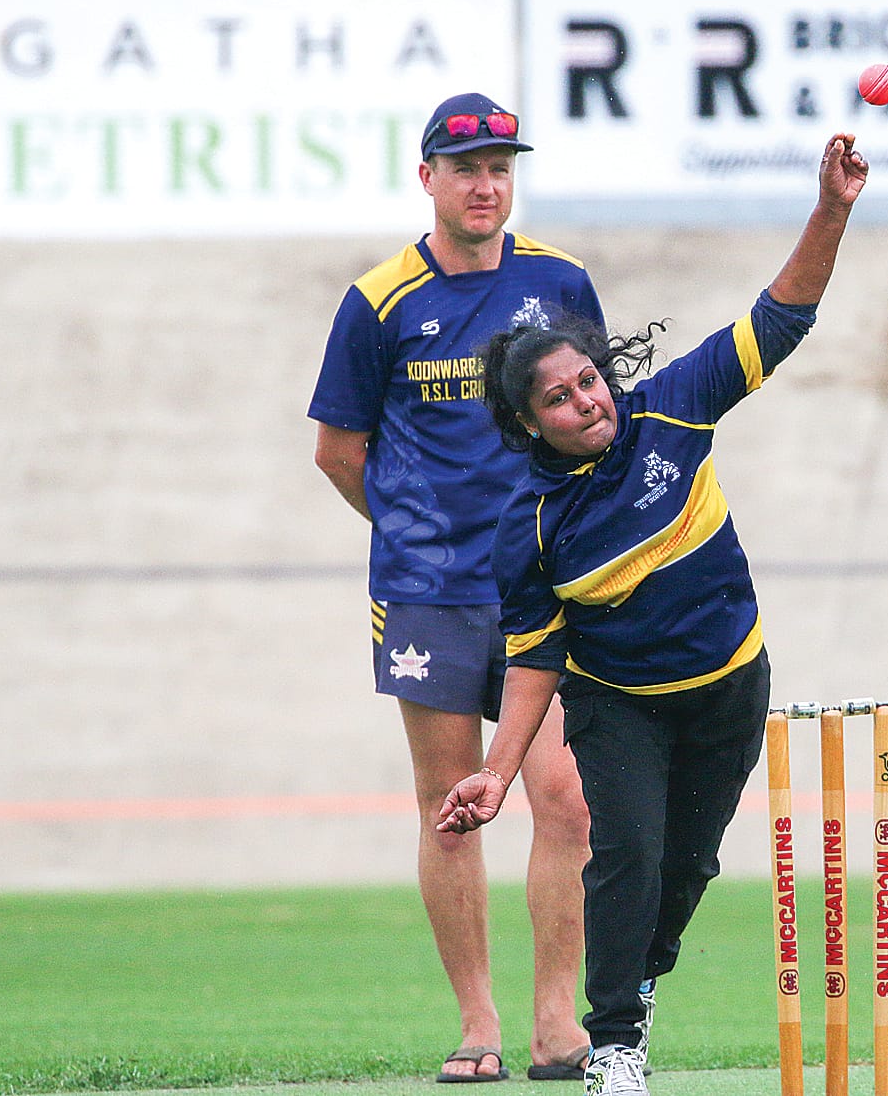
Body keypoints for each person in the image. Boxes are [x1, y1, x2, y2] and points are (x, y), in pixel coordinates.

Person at [432, 132, 870, 1096]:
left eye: (587, 380)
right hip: (618, 700)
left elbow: (780, 317)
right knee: (621, 849)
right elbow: (536, 661)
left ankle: (640, 979)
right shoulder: (531, 527)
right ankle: (616, 1043)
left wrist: (831, 208)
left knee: (686, 869)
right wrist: (497, 774)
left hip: (727, 682)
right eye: (559, 398)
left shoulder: (671, 407)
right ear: (528, 423)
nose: (586, 402)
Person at [309, 93, 598, 1084]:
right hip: (428, 593)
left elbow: (592, 422)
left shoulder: (559, 283)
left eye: (500, 168)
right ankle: (478, 1027)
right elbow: (338, 452)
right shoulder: (379, 300)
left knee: (563, 800)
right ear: (426, 176)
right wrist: (410, 531)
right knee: (450, 804)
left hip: (540, 596)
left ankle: (556, 1025)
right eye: (466, 168)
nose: (486, 185)